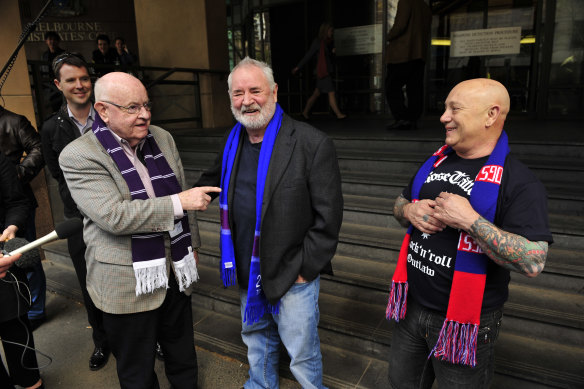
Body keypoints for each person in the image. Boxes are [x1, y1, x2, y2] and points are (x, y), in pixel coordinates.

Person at [386, 78, 553, 388]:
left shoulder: (520, 182)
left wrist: (471, 221)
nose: (443, 117)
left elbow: (533, 261)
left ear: (491, 115)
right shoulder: (435, 162)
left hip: (465, 322)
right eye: (445, 108)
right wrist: (408, 211)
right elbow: (400, 203)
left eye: (454, 109)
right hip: (411, 307)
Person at [59, 71, 221, 388]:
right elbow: (114, 216)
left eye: (146, 105)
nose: (145, 114)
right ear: (103, 110)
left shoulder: (162, 137)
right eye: (132, 107)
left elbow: (183, 194)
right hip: (126, 281)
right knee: (137, 371)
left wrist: (192, 248)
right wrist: (177, 203)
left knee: (183, 356)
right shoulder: (79, 155)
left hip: (175, 268)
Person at [195, 57, 343, 388]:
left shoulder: (310, 142)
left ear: (274, 92)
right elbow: (210, 182)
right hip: (249, 265)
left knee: (301, 352)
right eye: (237, 93)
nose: (246, 101)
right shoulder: (232, 141)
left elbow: (329, 216)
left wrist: (306, 268)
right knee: (257, 338)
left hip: (293, 270)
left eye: (254, 90)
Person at [40, 52, 113, 371]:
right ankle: (102, 341)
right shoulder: (50, 128)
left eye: (85, 78)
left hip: (119, 213)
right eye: (71, 80)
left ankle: (147, 337)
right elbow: (57, 172)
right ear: (59, 85)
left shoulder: (111, 117)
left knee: (130, 279)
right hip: (79, 221)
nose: (80, 85)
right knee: (89, 284)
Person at [0, 106, 47, 330]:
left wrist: (17, 174)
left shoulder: (14, 120)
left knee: (26, 258)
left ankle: (35, 312)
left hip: (18, 204)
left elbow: (40, 148)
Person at [0, 150, 44, 389]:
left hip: (3, 260)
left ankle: (29, 382)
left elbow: (16, 202)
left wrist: (11, 227)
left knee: (15, 329)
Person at [384, 0, 431, 130]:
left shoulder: (406, 1)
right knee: (415, 88)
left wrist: (387, 36)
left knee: (392, 86)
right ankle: (412, 119)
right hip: (419, 53)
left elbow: (400, 25)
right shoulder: (424, 6)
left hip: (403, 53)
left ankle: (402, 118)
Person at [292, 23, 346, 120]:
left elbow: (329, 59)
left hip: (325, 72)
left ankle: (304, 112)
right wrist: (298, 67)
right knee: (331, 92)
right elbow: (309, 55)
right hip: (323, 73)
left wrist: (333, 52)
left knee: (316, 94)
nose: (331, 33)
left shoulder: (328, 42)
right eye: (330, 31)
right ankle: (338, 114)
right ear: (325, 31)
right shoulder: (318, 42)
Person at [41, 31, 66, 112]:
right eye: (50, 39)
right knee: (53, 110)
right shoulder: (44, 55)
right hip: (49, 87)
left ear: (58, 41)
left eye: (54, 39)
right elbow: (41, 70)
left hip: (61, 85)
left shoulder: (63, 54)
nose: (52, 41)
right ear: (46, 41)